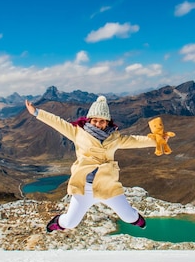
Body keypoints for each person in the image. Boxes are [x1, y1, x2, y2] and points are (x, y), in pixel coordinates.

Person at [25, 95, 164, 232]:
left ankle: (136, 218)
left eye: (102, 121)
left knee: (129, 217)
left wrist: (157, 141)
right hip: (84, 187)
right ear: (89, 120)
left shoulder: (114, 138)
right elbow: (58, 122)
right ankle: (58, 221)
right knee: (70, 222)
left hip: (107, 186)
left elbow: (135, 141)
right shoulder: (78, 133)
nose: (98, 124)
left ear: (107, 122)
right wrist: (37, 112)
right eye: (95, 121)